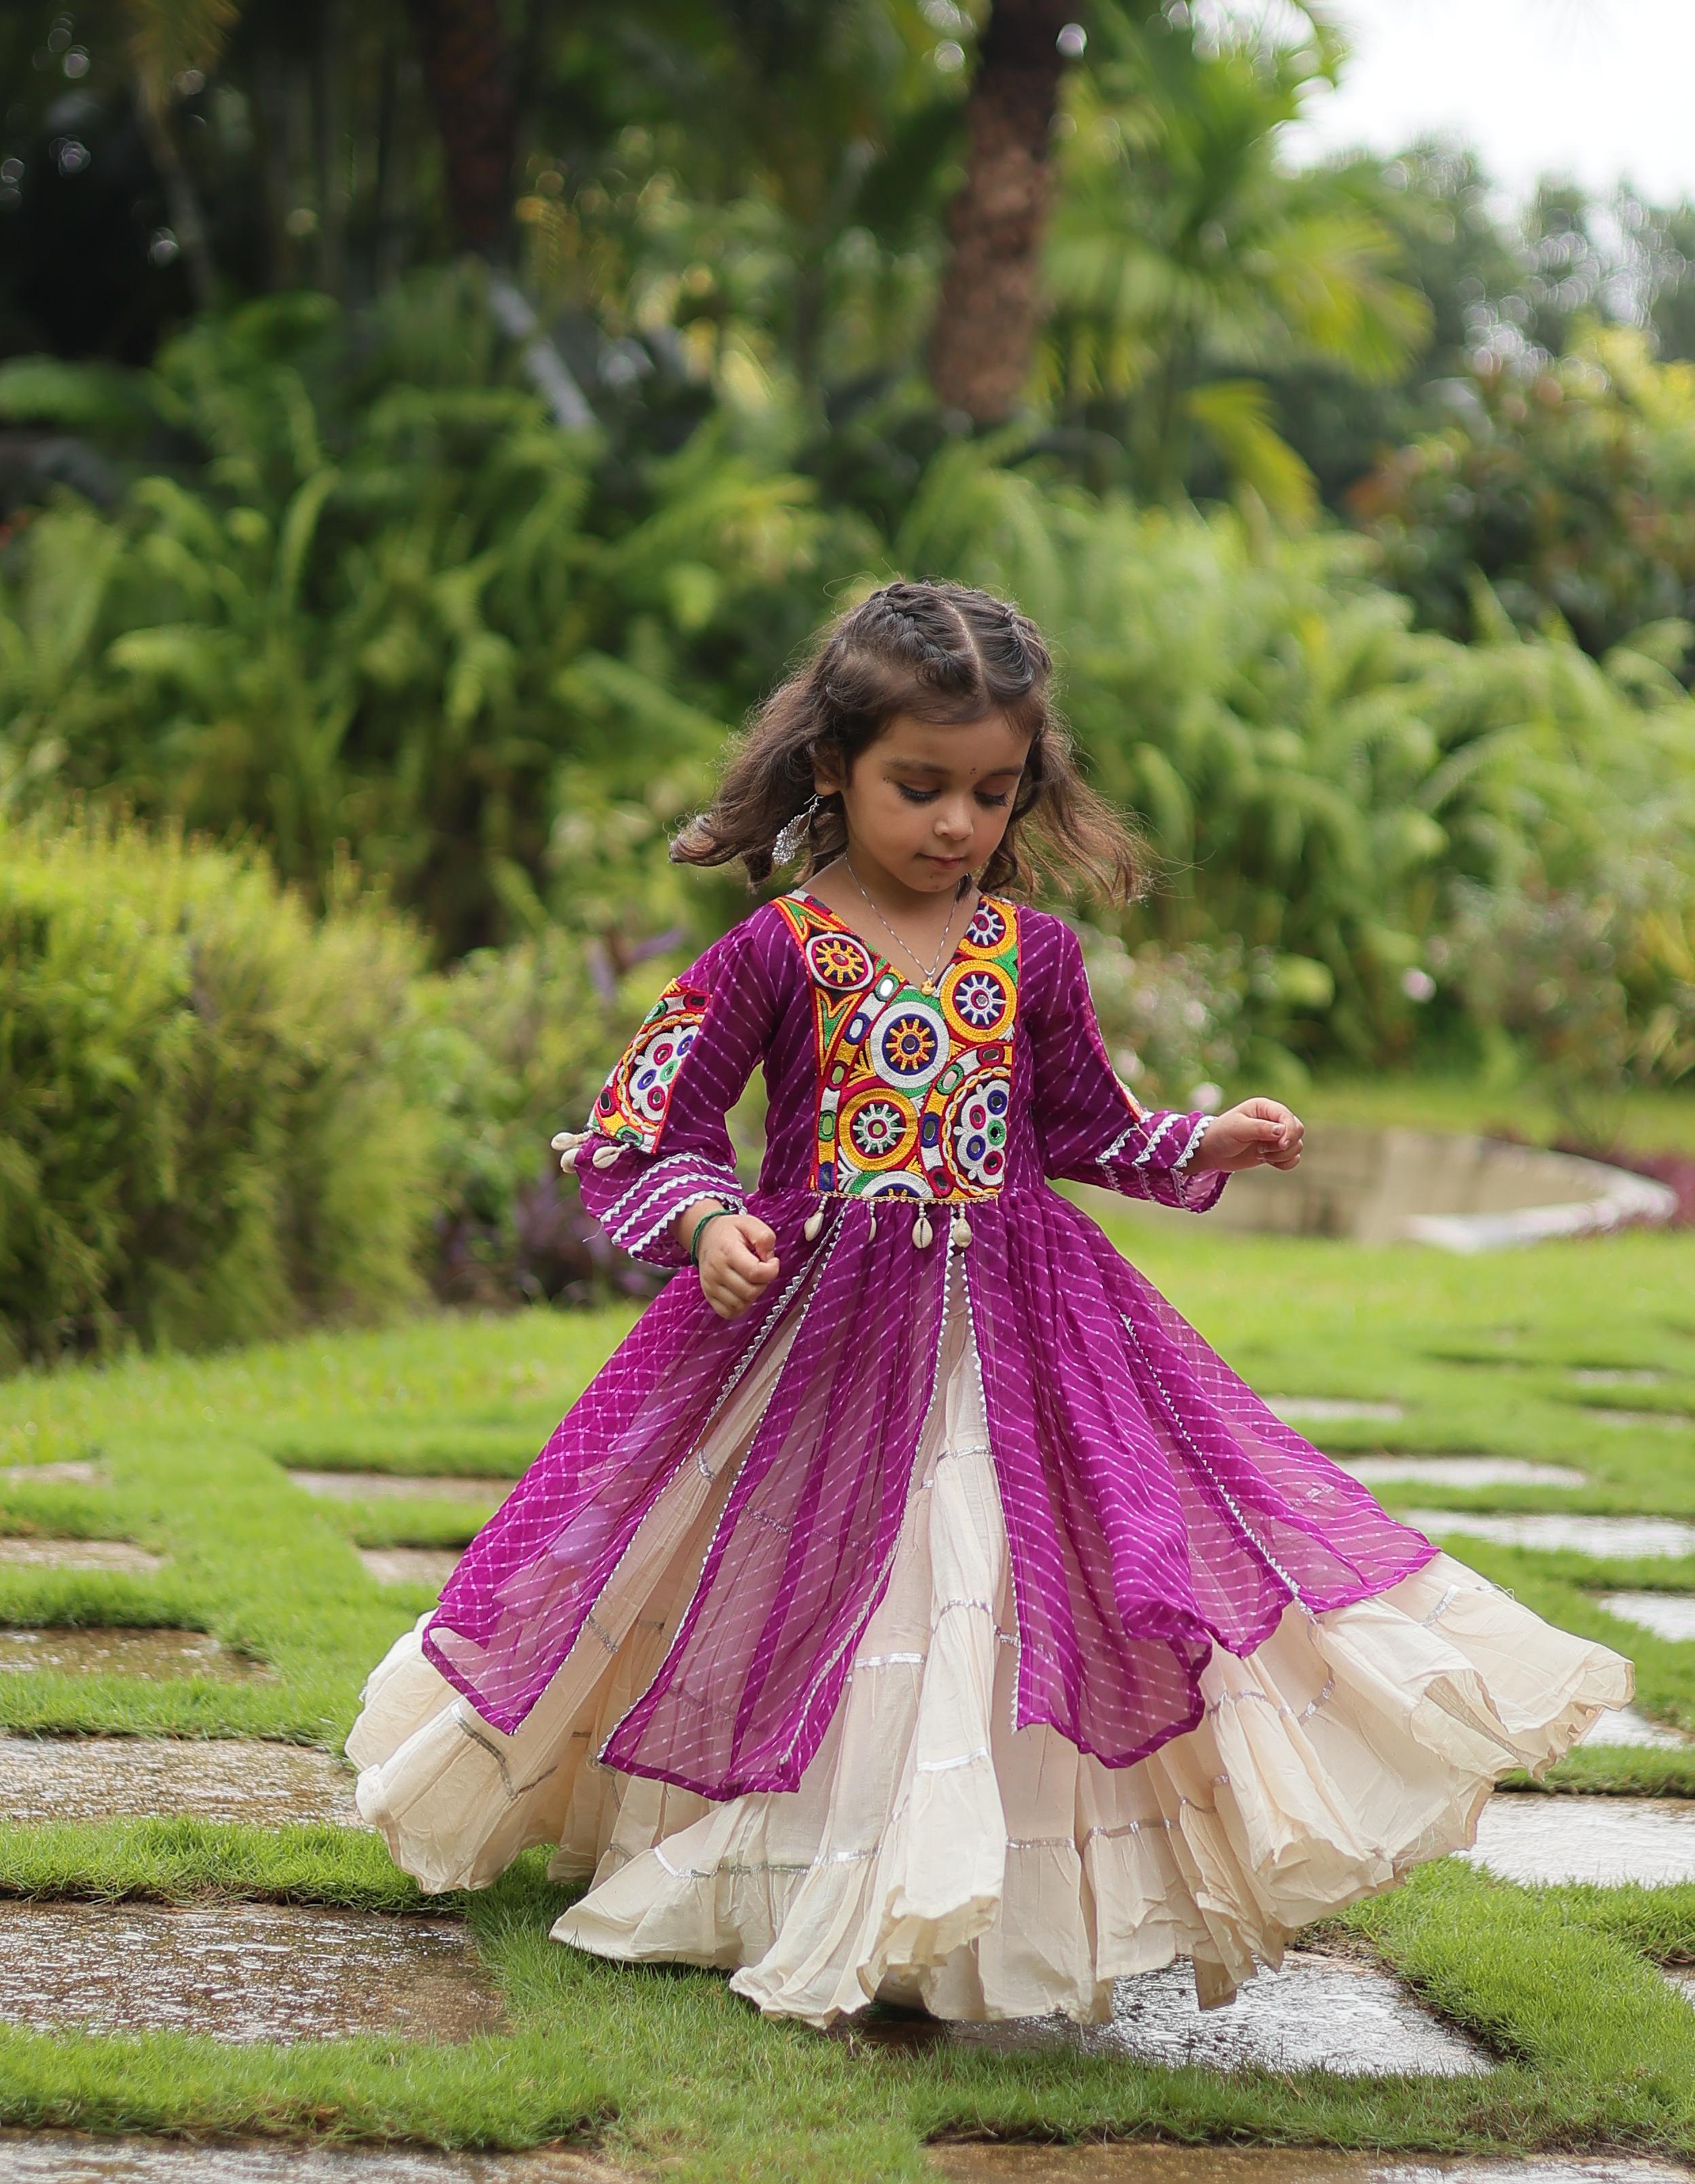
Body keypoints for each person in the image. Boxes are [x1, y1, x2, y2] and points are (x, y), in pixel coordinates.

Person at [350, 579, 1630, 2025]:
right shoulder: (775, 953)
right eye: (920, 787)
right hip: (818, 1333)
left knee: (984, 1582)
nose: (956, 824)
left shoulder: (1033, 957)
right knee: (811, 1585)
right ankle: (786, 1856)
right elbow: (644, 1127)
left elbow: (1080, 1123)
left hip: (1023, 1331)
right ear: (832, 766)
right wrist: (707, 1218)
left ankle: (961, 1886)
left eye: (991, 794)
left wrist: (1195, 1141)